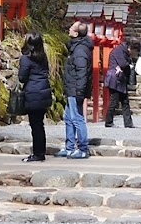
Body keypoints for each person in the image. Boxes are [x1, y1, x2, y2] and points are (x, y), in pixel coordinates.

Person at [16, 33, 53, 162]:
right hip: (44, 92)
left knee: (35, 125)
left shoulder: (26, 58)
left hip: (33, 93)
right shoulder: (43, 57)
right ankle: (40, 151)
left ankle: (38, 154)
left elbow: (22, 77)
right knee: (39, 125)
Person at [60, 21, 94, 158]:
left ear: (76, 33)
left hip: (75, 88)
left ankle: (83, 148)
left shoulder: (80, 50)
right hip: (71, 87)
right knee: (68, 117)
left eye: (71, 27)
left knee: (77, 118)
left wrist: (80, 91)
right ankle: (69, 147)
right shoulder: (76, 47)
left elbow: (82, 72)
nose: (69, 28)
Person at [103, 31, 134, 128]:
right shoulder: (119, 51)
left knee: (125, 102)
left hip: (120, 79)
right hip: (115, 79)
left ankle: (128, 123)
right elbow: (123, 64)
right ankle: (108, 122)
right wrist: (129, 65)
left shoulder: (122, 50)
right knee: (114, 101)